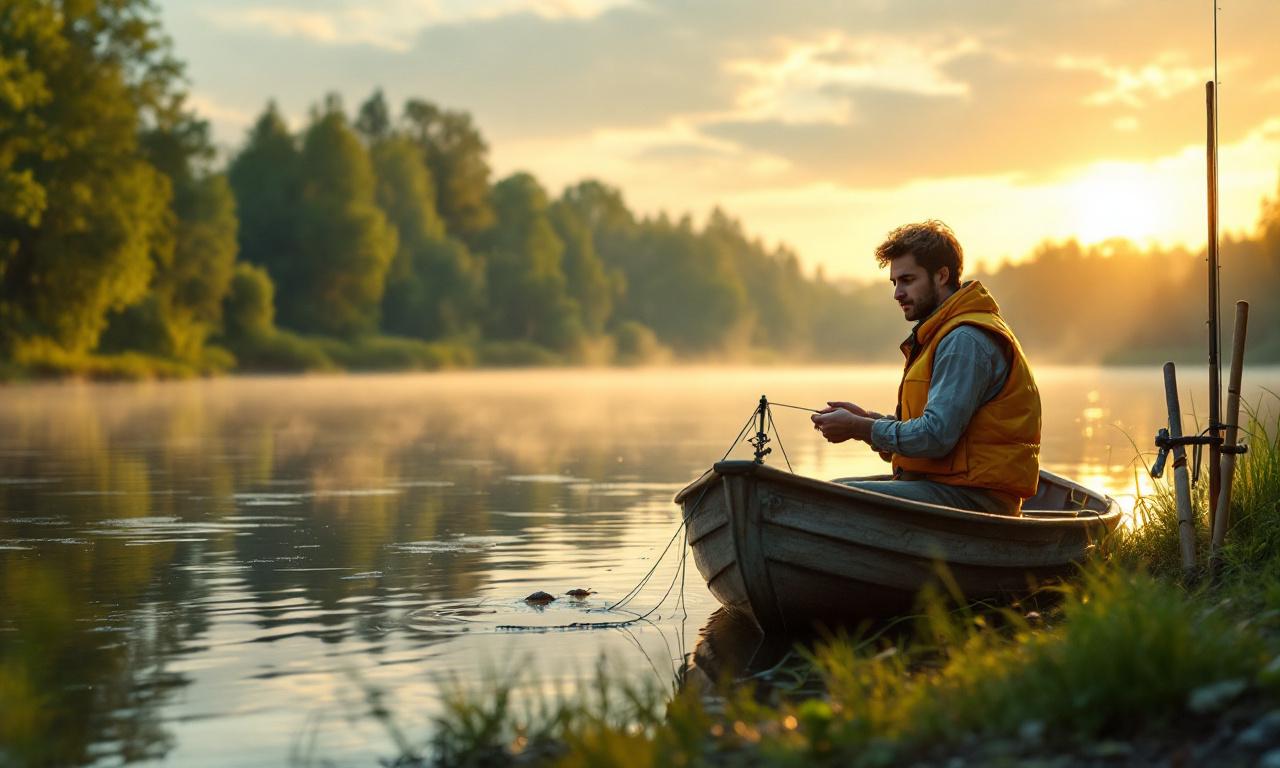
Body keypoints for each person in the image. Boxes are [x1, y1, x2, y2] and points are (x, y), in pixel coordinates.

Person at [810, 220, 1041, 516]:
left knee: (828, 498)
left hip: (976, 501)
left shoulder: (964, 341)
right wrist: (867, 422)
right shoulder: (943, 335)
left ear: (941, 275)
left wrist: (861, 428)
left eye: (907, 280)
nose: (897, 293)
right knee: (831, 490)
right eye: (894, 283)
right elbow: (936, 434)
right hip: (947, 487)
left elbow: (935, 437)